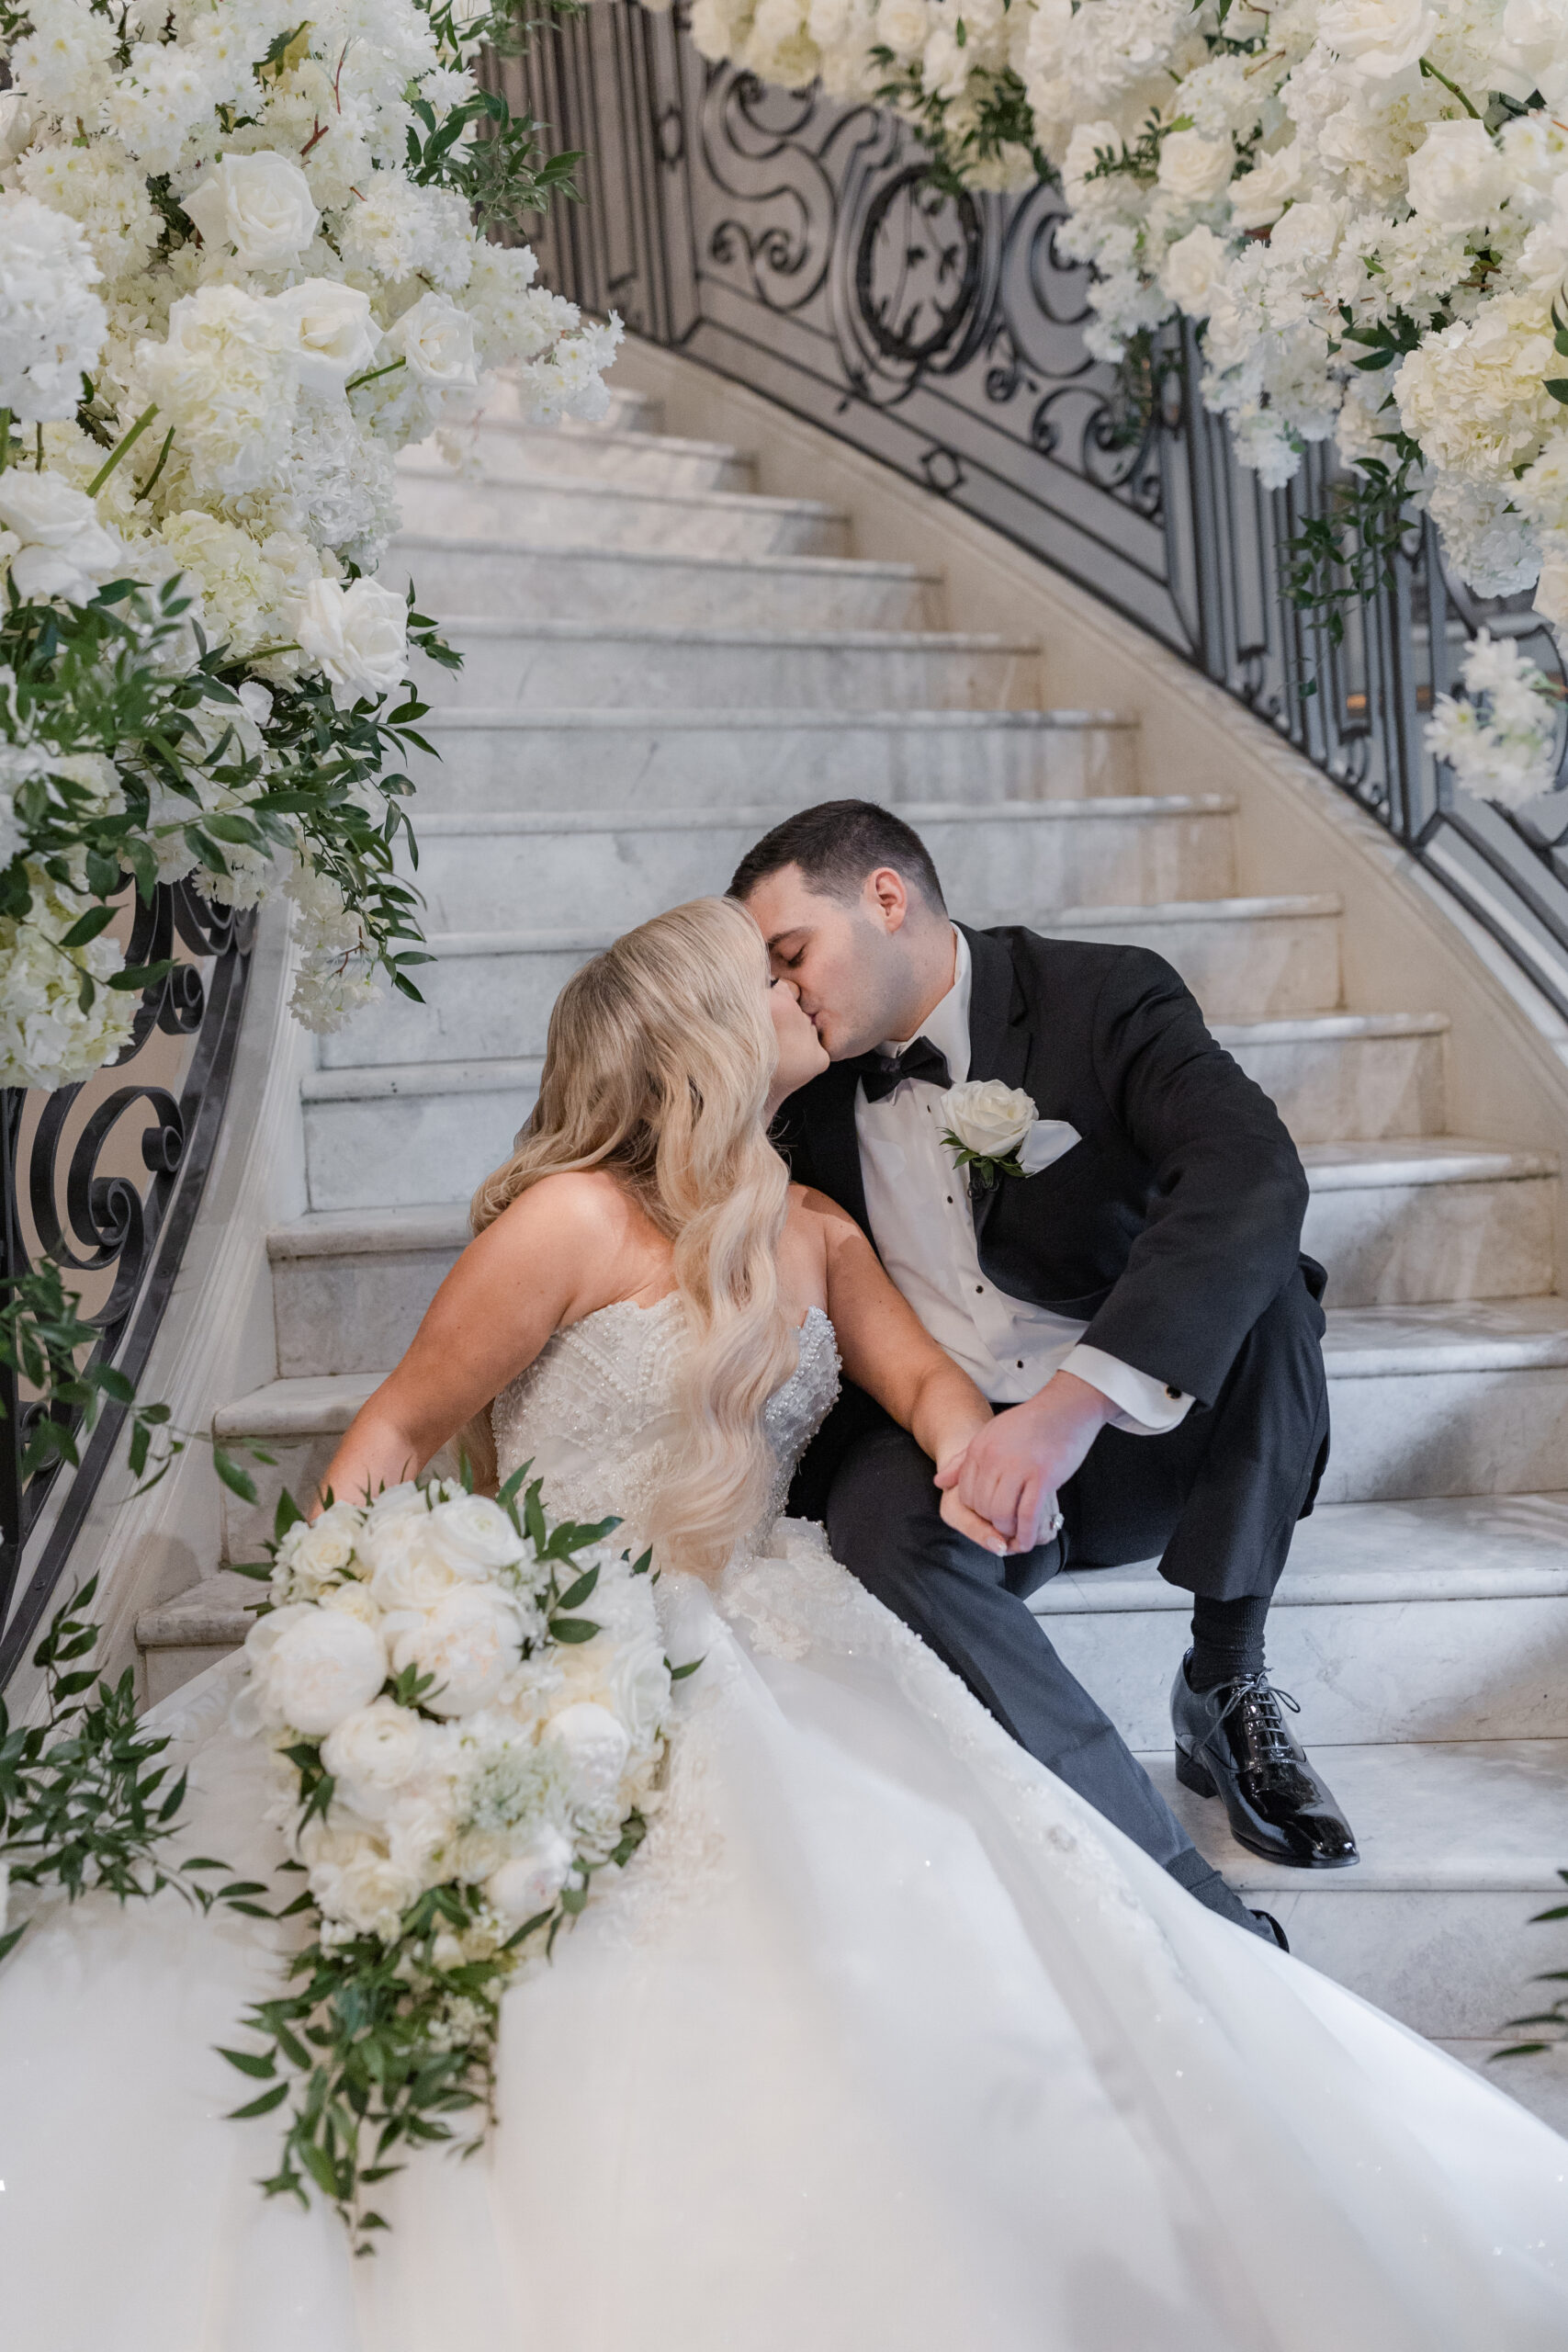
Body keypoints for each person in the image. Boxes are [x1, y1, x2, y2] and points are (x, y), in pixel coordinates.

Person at [2, 896, 1566, 2352]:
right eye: (759, 973)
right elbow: (397, 1433)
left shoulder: (813, 1228)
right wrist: (359, 1637)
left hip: (762, 1613)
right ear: (695, 1032)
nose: (790, 981)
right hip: (542, 1625)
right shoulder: (561, 1224)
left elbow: (924, 1387)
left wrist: (988, 1455)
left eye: (784, 952)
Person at [730, 798, 1357, 1912]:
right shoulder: (799, 1071)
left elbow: (1250, 1172)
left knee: (1271, 1302)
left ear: (886, 897)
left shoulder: (1105, 995)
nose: (787, 994)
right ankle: (1148, 1859)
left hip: (1118, 1426)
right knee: (876, 1525)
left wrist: (1068, 1412)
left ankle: (1225, 1670)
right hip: (935, 1433)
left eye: (793, 955)